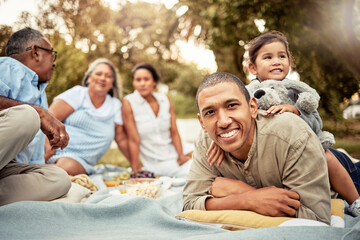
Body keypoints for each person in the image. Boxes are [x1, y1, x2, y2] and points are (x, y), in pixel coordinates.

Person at [207, 31, 360, 217]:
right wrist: (217, 141)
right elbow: (233, 118)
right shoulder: (246, 94)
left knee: (326, 156)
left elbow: (316, 125)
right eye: (268, 57)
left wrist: (297, 111)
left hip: (320, 155)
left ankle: (355, 201)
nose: (277, 61)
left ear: (290, 62)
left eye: (282, 56)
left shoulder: (296, 92)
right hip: (290, 160)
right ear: (253, 68)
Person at [183, 72, 332, 224]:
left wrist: (237, 192)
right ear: (202, 122)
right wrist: (246, 198)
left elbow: (317, 219)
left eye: (232, 106)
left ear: (253, 107)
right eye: (210, 112)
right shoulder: (206, 142)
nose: (223, 122)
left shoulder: (292, 134)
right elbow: (189, 205)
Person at [0, 27, 71, 206]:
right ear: (36, 52)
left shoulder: (40, 92)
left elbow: (33, 158)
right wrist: (38, 113)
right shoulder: (8, 67)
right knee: (28, 116)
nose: (54, 63)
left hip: (7, 168)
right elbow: (28, 116)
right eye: (52, 54)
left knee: (59, 178)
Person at [45, 58, 129, 176]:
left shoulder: (115, 105)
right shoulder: (78, 94)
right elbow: (47, 121)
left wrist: (136, 166)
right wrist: (47, 152)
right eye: (98, 74)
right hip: (51, 149)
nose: (103, 78)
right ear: (89, 78)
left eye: (108, 76)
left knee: (66, 169)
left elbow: (121, 139)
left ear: (112, 83)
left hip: (80, 160)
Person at [122, 63, 193, 177]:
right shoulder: (128, 102)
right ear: (133, 82)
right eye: (138, 80)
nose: (142, 83)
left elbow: (174, 131)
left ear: (154, 81)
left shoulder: (165, 99)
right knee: (198, 169)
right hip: (157, 159)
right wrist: (135, 168)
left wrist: (181, 155)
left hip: (177, 148)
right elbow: (133, 139)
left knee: (209, 158)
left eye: (146, 79)